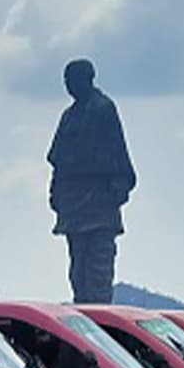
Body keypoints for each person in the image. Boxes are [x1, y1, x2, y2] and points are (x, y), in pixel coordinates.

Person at [47, 58, 136, 304]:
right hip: (74, 203)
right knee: (78, 271)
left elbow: (118, 151)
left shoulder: (103, 108)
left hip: (99, 201)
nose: (68, 85)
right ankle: (83, 309)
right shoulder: (69, 116)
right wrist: (55, 192)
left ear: (86, 79)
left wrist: (117, 187)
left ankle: (99, 315)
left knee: (98, 269)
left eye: (71, 80)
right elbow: (58, 160)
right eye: (65, 80)